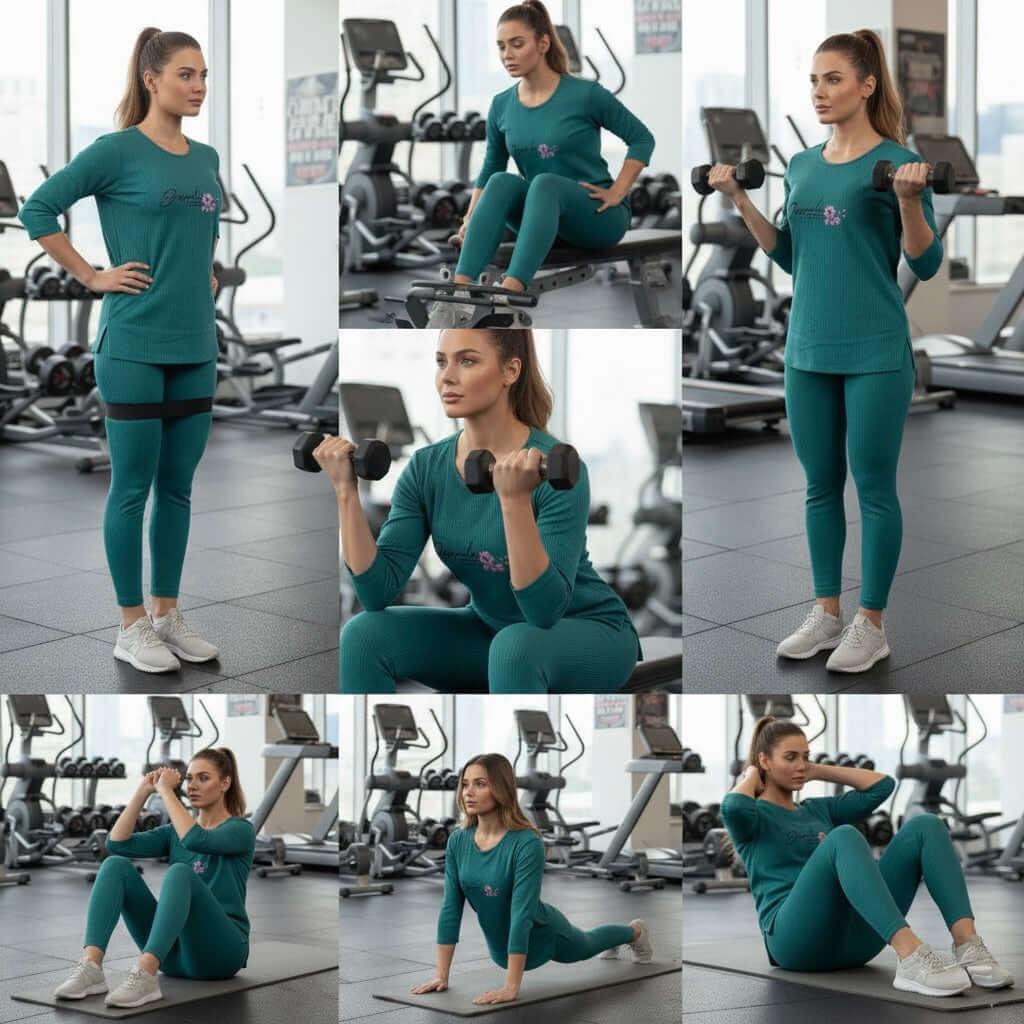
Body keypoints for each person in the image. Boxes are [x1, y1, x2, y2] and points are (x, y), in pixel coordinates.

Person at [706, 30, 942, 673]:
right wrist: (739, 200)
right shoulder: (803, 165)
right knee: (817, 487)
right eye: (813, 80)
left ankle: (872, 623)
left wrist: (910, 200)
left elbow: (927, 259)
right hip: (805, 348)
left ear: (866, 85)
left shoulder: (898, 163)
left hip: (874, 349)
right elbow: (786, 252)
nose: (819, 91)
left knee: (873, 488)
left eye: (833, 79)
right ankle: (826, 612)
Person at [18, 27, 222, 674]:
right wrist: (91, 274)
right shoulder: (116, 151)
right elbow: (38, 209)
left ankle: (167, 612)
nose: (198, 87)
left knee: (180, 488)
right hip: (133, 340)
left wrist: (206, 272)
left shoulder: (206, 156)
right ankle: (130, 624)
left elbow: (194, 234)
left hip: (196, 340)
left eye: (204, 75)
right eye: (185, 75)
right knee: (131, 487)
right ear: (151, 80)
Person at [327, 328, 641, 693]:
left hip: (587, 631)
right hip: (491, 633)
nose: (447, 376)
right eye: (442, 362)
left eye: (467, 361)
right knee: (362, 635)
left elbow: (543, 612)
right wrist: (345, 490)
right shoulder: (426, 468)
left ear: (510, 371)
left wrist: (514, 501)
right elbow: (376, 591)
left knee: (516, 647)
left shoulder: (553, 468)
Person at [720, 716, 1013, 997]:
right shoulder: (752, 818)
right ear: (764, 761)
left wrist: (816, 769)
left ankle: (967, 945)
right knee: (843, 836)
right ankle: (910, 955)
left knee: (927, 825)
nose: (800, 765)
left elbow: (882, 786)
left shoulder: (818, 809)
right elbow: (732, 807)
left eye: (805, 756)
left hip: (856, 942)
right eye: (790, 757)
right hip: (797, 943)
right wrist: (749, 776)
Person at [427, 0, 655, 327]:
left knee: (545, 182)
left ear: (543, 44)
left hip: (596, 216)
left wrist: (618, 191)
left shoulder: (585, 94)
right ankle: (457, 294)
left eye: (517, 44)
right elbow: (492, 168)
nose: (507, 54)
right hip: (543, 219)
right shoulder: (501, 104)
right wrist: (469, 219)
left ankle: (509, 292)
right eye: (501, 47)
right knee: (503, 182)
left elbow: (642, 138)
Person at [411, 753, 653, 1005]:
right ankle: (618, 938)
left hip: (542, 934)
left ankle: (635, 932)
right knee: (587, 941)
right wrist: (441, 975)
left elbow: (522, 913)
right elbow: (450, 908)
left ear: (502, 788)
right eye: (465, 784)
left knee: (587, 944)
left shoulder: (527, 842)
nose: (468, 792)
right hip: (501, 949)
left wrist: (511, 987)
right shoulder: (457, 841)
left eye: (480, 784)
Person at [53, 749, 254, 1008]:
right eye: (190, 779)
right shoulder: (174, 833)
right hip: (173, 957)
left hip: (221, 954)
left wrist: (167, 792)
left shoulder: (241, 830)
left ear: (225, 783)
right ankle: (91, 967)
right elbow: (117, 844)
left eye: (203, 778)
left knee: (180, 872)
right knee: (115, 865)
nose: (193, 786)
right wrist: (143, 792)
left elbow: (195, 839)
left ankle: (145, 973)